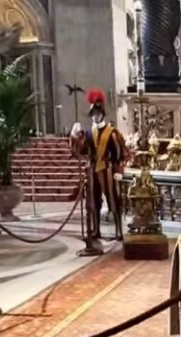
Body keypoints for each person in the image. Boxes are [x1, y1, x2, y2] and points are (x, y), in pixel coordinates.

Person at [69, 89, 127, 240]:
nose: (95, 116)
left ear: (102, 114)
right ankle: (96, 230)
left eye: (97, 113)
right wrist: (74, 137)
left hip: (107, 169)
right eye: (93, 114)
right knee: (93, 201)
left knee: (113, 199)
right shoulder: (88, 133)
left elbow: (119, 152)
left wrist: (119, 169)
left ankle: (118, 230)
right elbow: (81, 151)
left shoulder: (112, 133)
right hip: (93, 169)